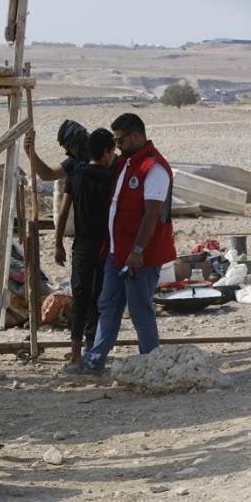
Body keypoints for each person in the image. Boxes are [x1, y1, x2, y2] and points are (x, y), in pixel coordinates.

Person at [70, 113, 175, 375]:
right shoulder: (127, 164)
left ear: (136, 136)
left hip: (141, 258)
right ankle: (95, 360)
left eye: (120, 141)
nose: (117, 146)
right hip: (117, 254)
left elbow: (151, 214)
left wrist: (137, 251)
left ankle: (150, 363)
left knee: (140, 311)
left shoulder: (154, 168)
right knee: (108, 305)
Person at [57, 128, 116, 364]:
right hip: (105, 245)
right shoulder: (112, 178)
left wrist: (58, 242)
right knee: (100, 296)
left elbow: (63, 212)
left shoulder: (76, 176)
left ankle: (75, 353)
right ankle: (94, 349)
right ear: (106, 152)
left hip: (81, 245)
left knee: (80, 295)